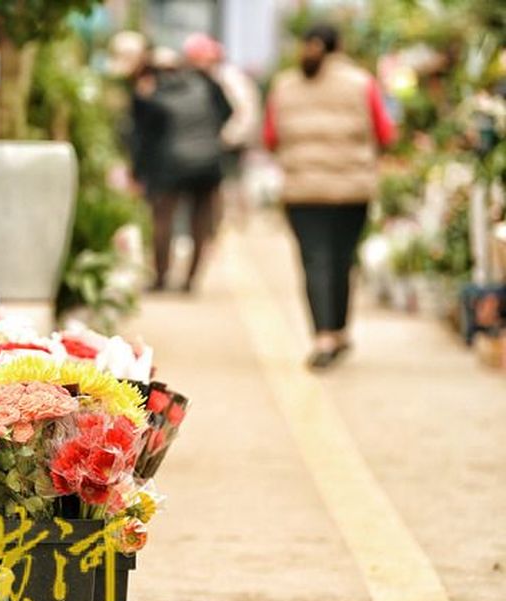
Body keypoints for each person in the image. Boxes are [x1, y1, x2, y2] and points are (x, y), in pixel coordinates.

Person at [264, 24, 395, 370]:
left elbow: (270, 137)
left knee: (315, 261)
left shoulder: (284, 85)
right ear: (340, 46)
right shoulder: (361, 82)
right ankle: (339, 332)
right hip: (352, 192)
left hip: (302, 192)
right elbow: (385, 131)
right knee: (342, 259)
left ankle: (323, 336)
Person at [131, 47, 233, 293]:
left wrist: (139, 170)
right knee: (200, 222)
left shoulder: (153, 93)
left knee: (162, 219)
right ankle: (190, 280)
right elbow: (228, 111)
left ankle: (160, 277)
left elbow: (142, 135)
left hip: (169, 165)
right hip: (207, 162)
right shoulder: (206, 84)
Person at [183, 33, 261, 222]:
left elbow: (245, 113)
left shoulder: (227, 78)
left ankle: (231, 228)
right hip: (216, 143)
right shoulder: (216, 77)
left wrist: (226, 138)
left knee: (229, 190)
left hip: (227, 144)